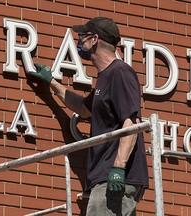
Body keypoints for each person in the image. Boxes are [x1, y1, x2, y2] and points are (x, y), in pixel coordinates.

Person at [28, 17, 149, 216]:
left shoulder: (120, 72)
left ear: (95, 39)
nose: (79, 42)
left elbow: (131, 122)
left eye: (82, 37)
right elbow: (84, 109)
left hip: (115, 177)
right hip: (106, 177)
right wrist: (51, 82)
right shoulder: (105, 78)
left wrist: (118, 167)